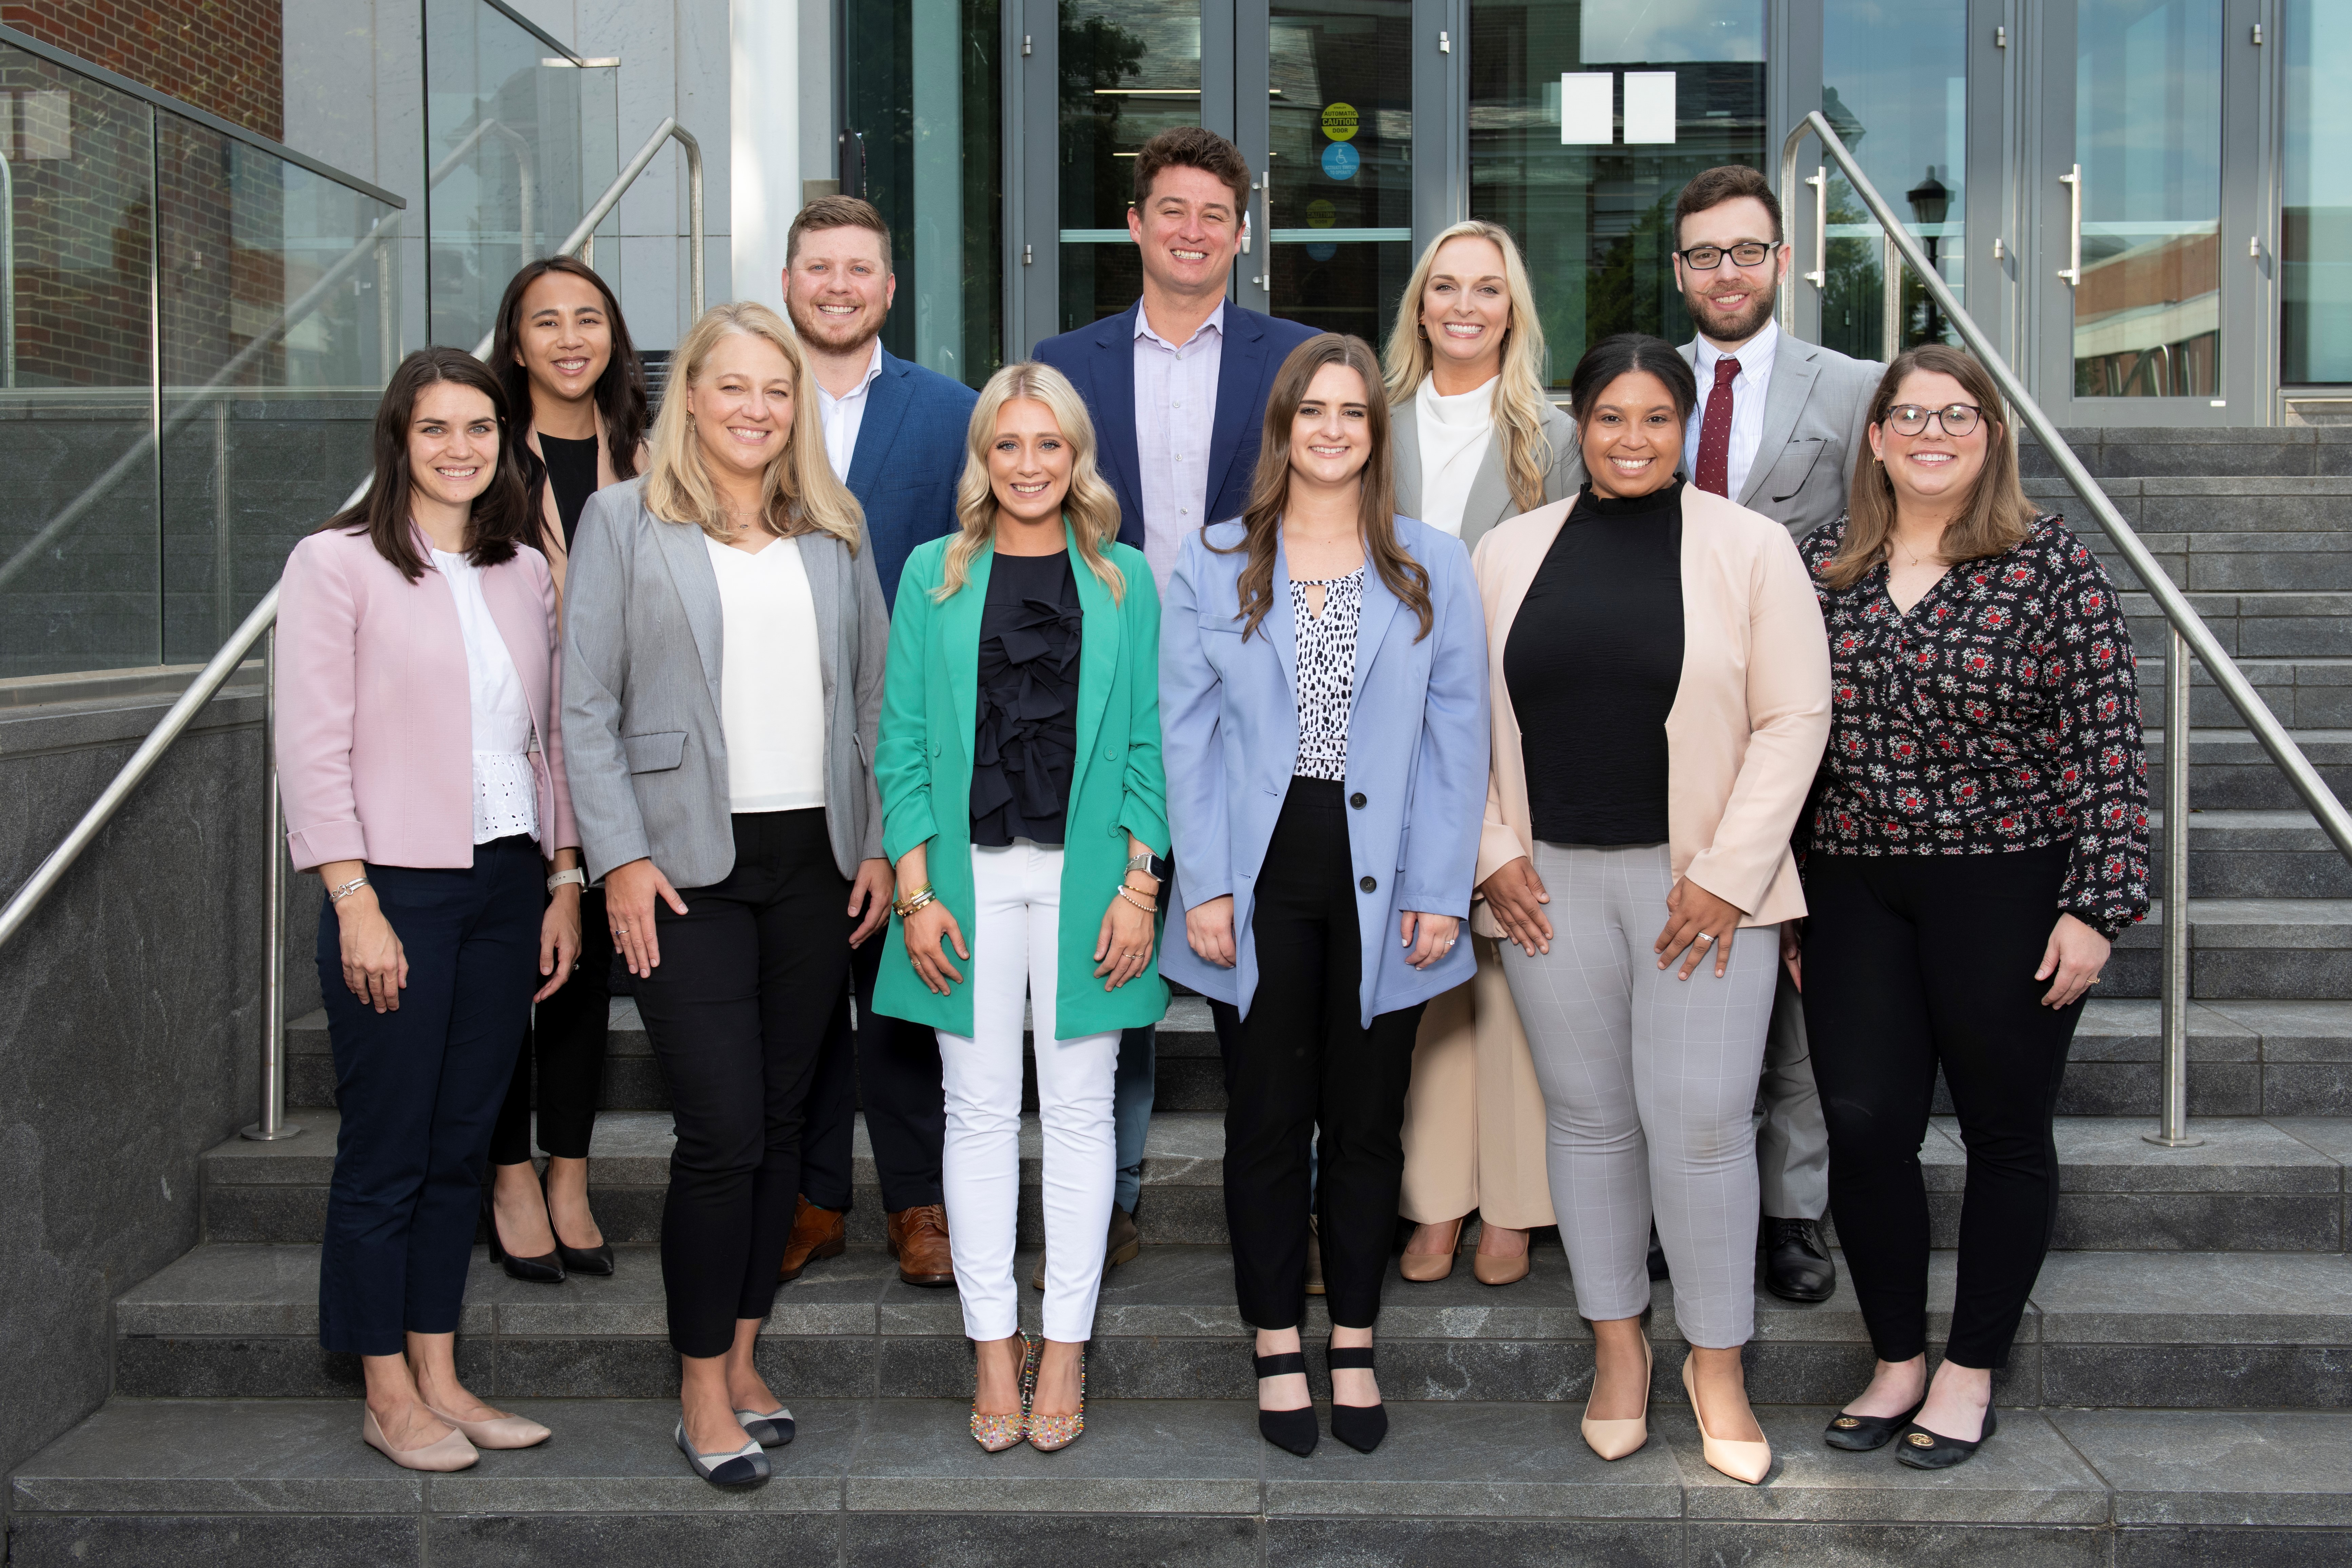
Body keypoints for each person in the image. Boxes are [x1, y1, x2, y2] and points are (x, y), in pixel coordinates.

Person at [1472, 333, 1829, 1482]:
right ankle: (1618, 1352)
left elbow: (1795, 720)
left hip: (1704, 892)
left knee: (1708, 1130)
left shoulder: (1753, 546)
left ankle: (1715, 1367)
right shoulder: (1507, 550)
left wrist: (1730, 876)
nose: (1632, 439)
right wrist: (1489, 854)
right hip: (1548, 887)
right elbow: (1455, 723)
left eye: (1657, 419)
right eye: (1611, 418)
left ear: (1688, 428)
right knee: (1588, 1125)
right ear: (1579, 424)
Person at [562, 302, 892, 1487]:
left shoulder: (835, 534)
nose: (756, 409)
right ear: (689, 397)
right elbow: (584, 709)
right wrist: (620, 860)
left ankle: (747, 1356)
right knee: (721, 1132)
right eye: (733, 386)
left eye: (777, 390)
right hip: (680, 871)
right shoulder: (620, 522)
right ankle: (699, 1385)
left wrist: (882, 846)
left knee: (791, 1131)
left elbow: (872, 704)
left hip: (815, 864)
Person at [1800, 345, 2148, 1470]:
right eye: (1911, 415)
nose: (1933, 433)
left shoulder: (2051, 565)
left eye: (1958, 416)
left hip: (2008, 879)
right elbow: (1784, 736)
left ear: (1991, 434)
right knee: (1862, 1126)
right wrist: (1786, 897)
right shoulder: (1822, 565)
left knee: (2005, 1132)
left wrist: (2098, 903)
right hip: (1852, 882)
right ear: (1877, 437)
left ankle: (1968, 1369)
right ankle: (1897, 1355)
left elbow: (2108, 741)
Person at [1161, 332, 1489, 1458]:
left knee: (1364, 1125)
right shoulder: (1213, 560)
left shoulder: (1431, 563)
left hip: (1393, 874)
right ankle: (1272, 1343)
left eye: (1354, 413)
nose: (1334, 430)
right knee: (1264, 1123)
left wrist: (1444, 886)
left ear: (1375, 432)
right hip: (1256, 874)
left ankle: (1352, 1337)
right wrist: (1201, 884)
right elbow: (1185, 740)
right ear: (1284, 429)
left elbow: (1461, 740)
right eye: (1315, 412)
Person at [277, 346, 579, 1471]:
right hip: (393, 885)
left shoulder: (521, 572)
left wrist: (562, 877)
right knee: (389, 1150)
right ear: (398, 441)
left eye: (481, 429)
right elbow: (311, 750)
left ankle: (442, 1372)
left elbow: (545, 740)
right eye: (435, 428)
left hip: (508, 881)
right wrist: (352, 900)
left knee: (463, 1145)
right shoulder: (336, 563)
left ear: (508, 445)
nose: (460, 448)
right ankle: (386, 1389)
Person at [873, 361, 1169, 1453]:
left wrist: (1143, 885)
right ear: (983, 457)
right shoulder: (931, 576)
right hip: (965, 883)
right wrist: (913, 890)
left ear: (1076, 457)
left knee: (1084, 1114)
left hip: (1093, 883)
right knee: (980, 1111)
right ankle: (993, 1343)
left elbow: (1150, 744)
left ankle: (1066, 1346)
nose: (1031, 465)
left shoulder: (1127, 576)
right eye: (1010, 445)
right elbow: (901, 742)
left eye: (1051, 445)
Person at [1035, 126, 1318, 1267]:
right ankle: (1117, 1192)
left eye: (1214, 214)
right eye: (1171, 210)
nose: (1192, 231)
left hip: (1256, 690)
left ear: (1240, 235)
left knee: (1265, 938)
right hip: (1101, 687)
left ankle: (1289, 1195)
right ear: (1136, 225)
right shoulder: (1068, 360)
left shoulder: (1297, 358)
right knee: (1119, 929)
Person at [1670, 163, 1884, 1303]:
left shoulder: (1850, 390)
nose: (1727, 273)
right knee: (1685, 963)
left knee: (1803, 983)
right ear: (1681, 272)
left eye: (1746, 251)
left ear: (1783, 261)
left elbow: (1889, 536)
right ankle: (1682, 1195)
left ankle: (1792, 1213)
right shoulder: (1648, 386)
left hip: (1810, 733)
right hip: (1674, 733)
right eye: (1705, 254)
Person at [781, 195, 978, 1291]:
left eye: (861, 268)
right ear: (790, 283)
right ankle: (812, 1197)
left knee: (903, 987)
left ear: (891, 289)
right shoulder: (748, 407)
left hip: (916, 744)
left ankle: (919, 1204)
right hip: (772, 750)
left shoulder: (952, 414)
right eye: (821, 268)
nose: (840, 286)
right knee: (802, 986)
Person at [1381, 218, 1577, 1288]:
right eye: (1445, 286)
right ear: (1420, 304)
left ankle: (1514, 1200)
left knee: (1507, 962)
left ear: (1513, 309)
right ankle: (1434, 1201)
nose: (1464, 305)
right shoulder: (1367, 418)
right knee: (1421, 968)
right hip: (1382, 726)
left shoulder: (1554, 435)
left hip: (1510, 722)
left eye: (1487, 289)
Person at [481, 255, 652, 1283]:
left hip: (626, 741)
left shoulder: (647, 449)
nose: (570, 338)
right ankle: (507, 1172)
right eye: (547, 322)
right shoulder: (483, 451)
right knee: (517, 969)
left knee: (587, 972)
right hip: (516, 742)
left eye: (589, 318)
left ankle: (571, 1174)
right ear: (517, 344)